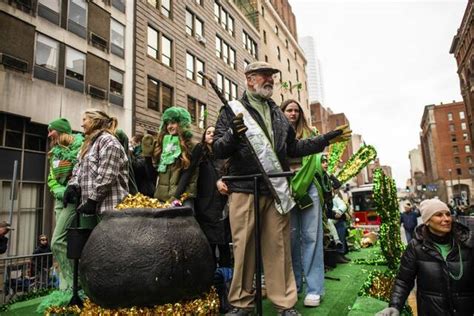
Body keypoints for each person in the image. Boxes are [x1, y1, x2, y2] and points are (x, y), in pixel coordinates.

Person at [213, 61, 351, 316]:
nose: (270, 80)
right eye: (264, 75)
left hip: (275, 190)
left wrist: (325, 139)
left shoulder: (277, 113)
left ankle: (285, 303)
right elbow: (218, 150)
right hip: (245, 188)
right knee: (243, 249)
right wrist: (233, 133)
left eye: (272, 76)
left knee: (279, 248)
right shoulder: (231, 110)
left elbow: (293, 148)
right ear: (249, 79)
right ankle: (242, 303)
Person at [376, 198, 474, 316]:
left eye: (448, 214)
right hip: (432, 311)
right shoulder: (416, 247)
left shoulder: (466, 242)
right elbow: (404, 281)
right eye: (439, 215)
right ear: (427, 221)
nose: (446, 219)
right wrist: (395, 306)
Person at [281, 99, 325, 308]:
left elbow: (315, 163)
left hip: (308, 188)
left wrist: (300, 184)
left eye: (296, 110)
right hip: (284, 189)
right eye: (289, 110)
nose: (293, 113)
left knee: (311, 237)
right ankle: (295, 285)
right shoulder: (275, 135)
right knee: (290, 238)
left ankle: (314, 289)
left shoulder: (311, 133)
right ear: (282, 112)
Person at [63, 109, 129, 222]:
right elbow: (77, 169)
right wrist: (72, 185)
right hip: (90, 210)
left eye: (85, 120)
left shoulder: (109, 141)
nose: (82, 124)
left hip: (110, 209)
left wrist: (92, 200)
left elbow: (107, 175)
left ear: (95, 121)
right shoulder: (88, 145)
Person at [46, 117, 83, 290]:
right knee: (62, 244)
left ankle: (75, 284)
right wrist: (58, 191)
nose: (49, 135)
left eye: (51, 130)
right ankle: (64, 286)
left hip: (73, 201)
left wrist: (68, 190)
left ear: (61, 131)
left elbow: (79, 173)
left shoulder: (79, 148)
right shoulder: (54, 152)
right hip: (59, 201)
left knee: (57, 242)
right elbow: (51, 179)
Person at [141, 106, 200, 208]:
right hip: (162, 199)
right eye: (167, 123)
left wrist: (175, 198)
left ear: (182, 124)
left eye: (173, 122)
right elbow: (153, 177)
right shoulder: (163, 145)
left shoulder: (193, 145)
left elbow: (188, 174)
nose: (169, 126)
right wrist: (147, 156)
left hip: (182, 199)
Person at [194, 126, 232, 268]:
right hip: (205, 202)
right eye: (208, 132)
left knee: (223, 244)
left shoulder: (224, 155)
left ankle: (224, 278)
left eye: (214, 133)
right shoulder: (201, 153)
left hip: (222, 202)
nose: (211, 135)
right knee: (209, 243)